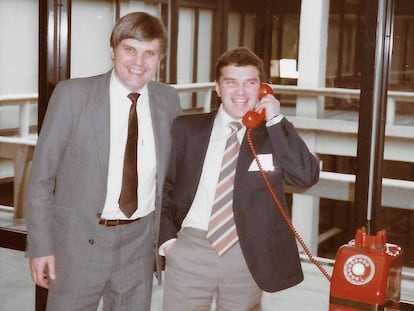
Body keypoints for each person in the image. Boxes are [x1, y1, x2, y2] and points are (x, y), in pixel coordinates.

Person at [25, 12, 181, 311]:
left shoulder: (168, 100)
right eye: (130, 49)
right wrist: (41, 246)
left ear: (159, 58)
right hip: (79, 246)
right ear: (113, 51)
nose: (139, 61)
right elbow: (41, 177)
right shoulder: (73, 95)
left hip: (138, 246)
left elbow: (170, 178)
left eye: (150, 52)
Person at [158, 47, 320, 310]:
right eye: (231, 82)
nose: (241, 92)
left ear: (262, 88)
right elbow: (163, 188)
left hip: (246, 253)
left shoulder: (272, 135)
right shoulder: (186, 129)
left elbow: (305, 176)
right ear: (218, 88)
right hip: (190, 249)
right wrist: (169, 244)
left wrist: (276, 120)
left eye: (250, 83)